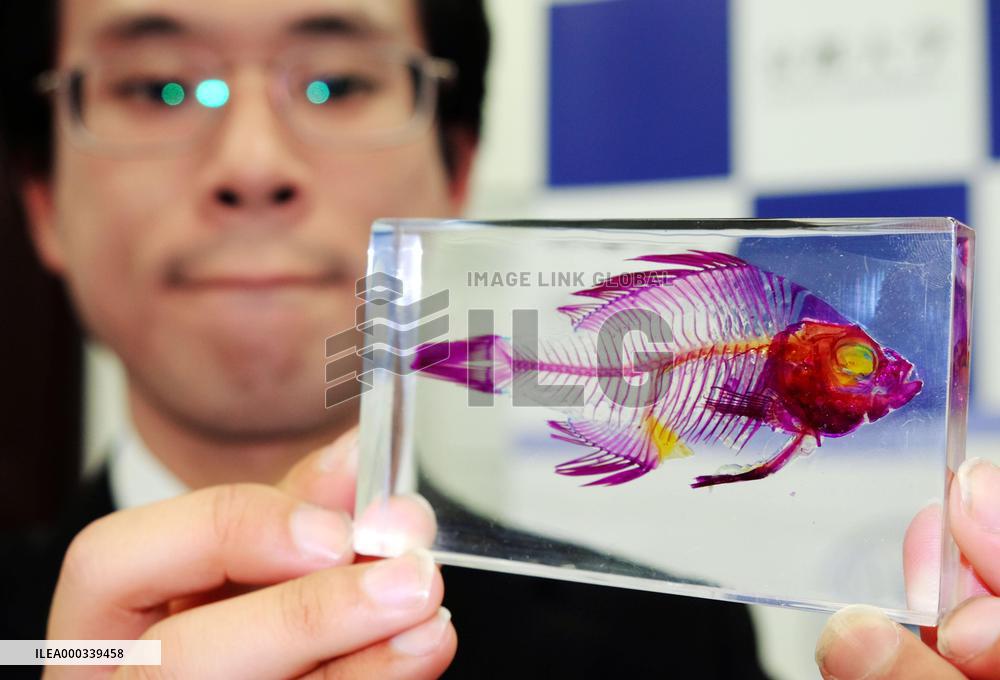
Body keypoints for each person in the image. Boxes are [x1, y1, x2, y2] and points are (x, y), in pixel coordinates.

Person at [2, 1, 997, 679]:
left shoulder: (672, 644)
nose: (251, 163)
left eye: (336, 85)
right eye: (162, 89)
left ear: (459, 168)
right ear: (42, 200)